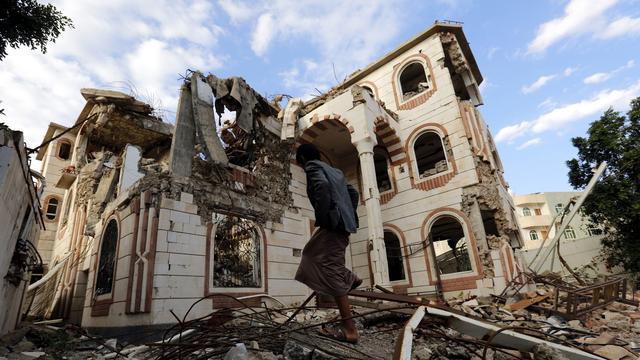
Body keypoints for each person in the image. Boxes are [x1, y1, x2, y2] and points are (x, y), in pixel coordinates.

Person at [294, 143, 362, 344]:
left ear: (304, 160)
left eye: (301, 165)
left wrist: (325, 216)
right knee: (309, 252)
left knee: (330, 268)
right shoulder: (335, 171)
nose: (303, 169)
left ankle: (350, 330)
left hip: (332, 224)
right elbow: (353, 194)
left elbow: (322, 187)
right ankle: (350, 278)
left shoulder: (313, 167)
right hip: (341, 223)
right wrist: (348, 215)